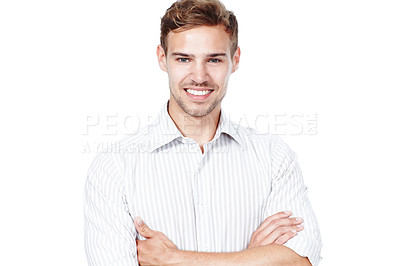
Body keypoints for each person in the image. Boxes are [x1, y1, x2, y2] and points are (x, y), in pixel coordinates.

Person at [84, 0, 322, 265]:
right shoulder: (115, 167)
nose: (199, 76)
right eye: (184, 58)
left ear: (236, 59)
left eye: (214, 59)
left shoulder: (273, 158)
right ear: (162, 58)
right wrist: (252, 259)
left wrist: (174, 259)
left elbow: (299, 261)